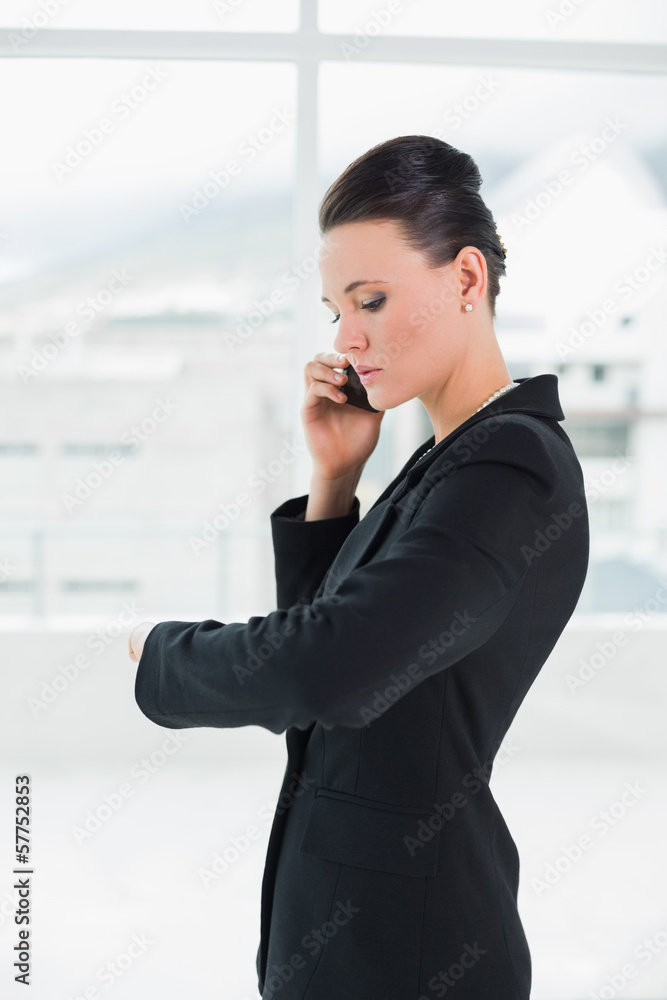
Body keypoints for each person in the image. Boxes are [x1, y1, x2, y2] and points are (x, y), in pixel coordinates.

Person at [129, 135, 590, 999]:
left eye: (371, 300)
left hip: (410, 948)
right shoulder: (447, 459)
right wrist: (334, 479)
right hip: (360, 930)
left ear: (465, 279)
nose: (347, 338)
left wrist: (165, 654)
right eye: (334, 310)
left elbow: (331, 668)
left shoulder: (507, 467)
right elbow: (345, 651)